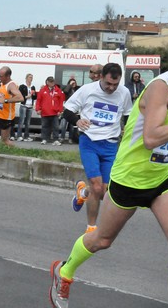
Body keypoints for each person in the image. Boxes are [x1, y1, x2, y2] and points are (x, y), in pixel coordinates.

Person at [49, 39, 168, 308]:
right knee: (101, 240)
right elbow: (151, 138)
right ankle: (65, 271)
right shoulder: (160, 89)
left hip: (162, 178)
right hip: (130, 179)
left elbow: (162, 131)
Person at [62, 63, 132, 234]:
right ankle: (91, 228)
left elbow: (129, 115)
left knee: (105, 192)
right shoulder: (87, 90)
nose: (111, 88)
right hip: (89, 141)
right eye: (108, 83)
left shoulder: (124, 93)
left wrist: (127, 132)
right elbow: (67, 110)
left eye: (115, 84)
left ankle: (82, 192)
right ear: (101, 77)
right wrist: (77, 121)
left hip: (110, 144)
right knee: (97, 186)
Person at [36, 76, 64, 145]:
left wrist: (60, 110)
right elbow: (38, 100)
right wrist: (38, 109)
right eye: (50, 81)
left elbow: (61, 101)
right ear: (47, 82)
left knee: (56, 127)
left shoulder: (58, 90)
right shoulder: (42, 90)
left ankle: (56, 139)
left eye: (53, 81)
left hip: (55, 112)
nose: (52, 83)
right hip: (45, 112)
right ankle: (44, 139)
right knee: (45, 126)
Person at [14, 73, 36, 142]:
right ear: (26, 78)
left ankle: (26, 136)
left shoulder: (33, 87)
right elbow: (20, 96)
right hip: (24, 105)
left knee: (28, 122)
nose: (31, 79)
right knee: (21, 121)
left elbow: (35, 97)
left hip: (30, 106)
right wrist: (26, 97)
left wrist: (34, 94)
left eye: (32, 77)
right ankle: (19, 135)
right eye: (30, 77)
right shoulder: (22, 86)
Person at [59, 79, 79, 143]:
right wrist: (70, 85)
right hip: (67, 109)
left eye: (74, 83)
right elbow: (65, 91)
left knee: (71, 126)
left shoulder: (77, 90)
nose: (74, 84)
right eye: (72, 83)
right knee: (64, 125)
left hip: (74, 109)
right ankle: (62, 137)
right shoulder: (67, 89)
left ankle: (70, 138)